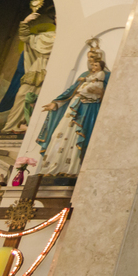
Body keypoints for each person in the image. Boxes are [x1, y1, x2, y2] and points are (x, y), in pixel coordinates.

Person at [35, 40, 111, 178]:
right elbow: (70, 91)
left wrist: (96, 93)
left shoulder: (106, 76)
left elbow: (108, 95)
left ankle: (73, 168)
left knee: (79, 136)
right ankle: (55, 166)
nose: (91, 63)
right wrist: (56, 103)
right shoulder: (84, 75)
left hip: (89, 110)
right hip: (73, 108)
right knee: (60, 134)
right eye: (89, 60)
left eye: (94, 60)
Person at [0, 0, 56, 134]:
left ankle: (29, 127)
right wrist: (26, 22)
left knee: (40, 100)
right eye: (56, 17)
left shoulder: (66, 38)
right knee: (22, 95)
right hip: (37, 68)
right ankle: (11, 126)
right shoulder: (46, 36)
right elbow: (25, 38)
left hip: (52, 70)